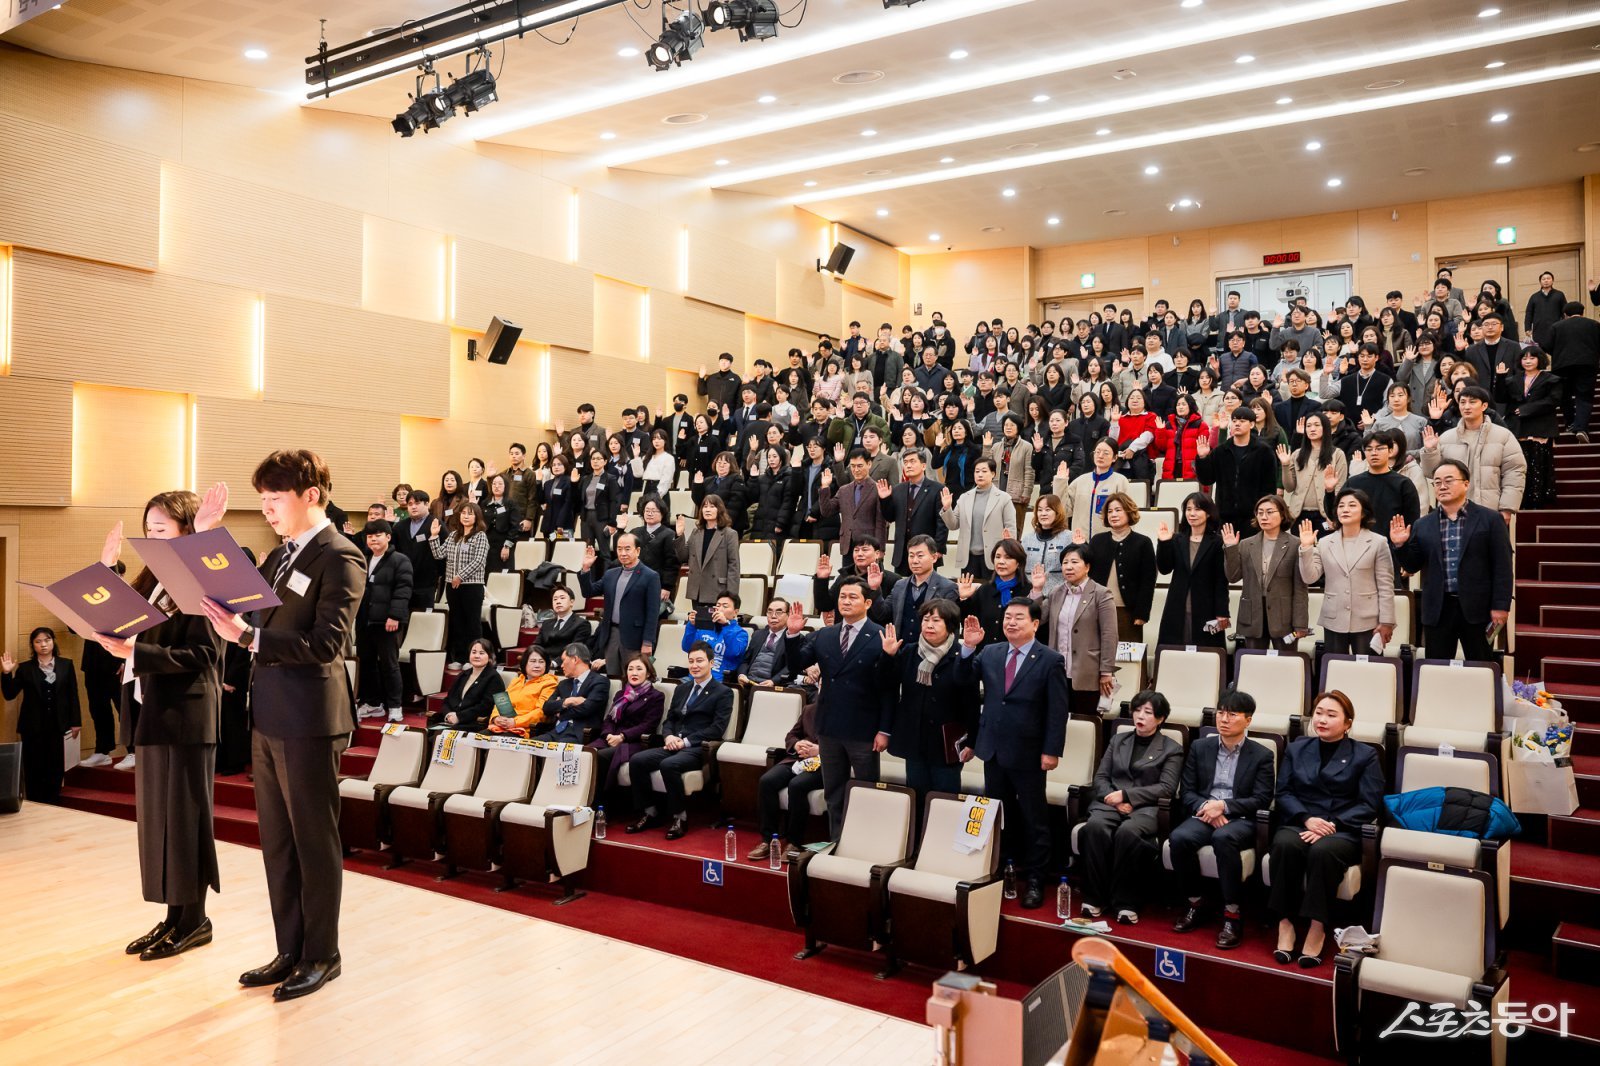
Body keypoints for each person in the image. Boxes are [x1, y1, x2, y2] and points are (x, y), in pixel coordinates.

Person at [198, 450, 365, 1002]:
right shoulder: (278, 557)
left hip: (310, 719)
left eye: (275, 499)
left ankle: (324, 953)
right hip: (268, 715)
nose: (266, 510)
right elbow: (232, 599)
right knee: (278, 843)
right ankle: (289, 948)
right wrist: (204, 538)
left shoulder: (341, 556)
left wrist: (248, 638)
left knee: (313, 841)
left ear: (310, 495)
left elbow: (325, 645)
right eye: (263, 500)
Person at [953, 599, 1069, 909]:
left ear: (1034, 624)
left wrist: (1051, 750)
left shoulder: (1050, 659)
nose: (1011, 622)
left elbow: (1057, 711)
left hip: (1029, 751)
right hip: (993, 748)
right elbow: (963, 681)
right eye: (1007, 617)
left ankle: (1034, 878)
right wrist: (967, 648)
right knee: (997, 815)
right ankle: (1000, 869)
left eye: (1019, 618)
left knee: (1034, 818)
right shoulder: (989, 653)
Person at [1270, 691, 1385, 968]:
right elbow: (1283, 792)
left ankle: (1317, 927)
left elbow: (1369, 803)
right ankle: (1285, 923)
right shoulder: (1297, 747)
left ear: (1347, 723)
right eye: (1319, 713)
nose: (1322, 719)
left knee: (1323, 851)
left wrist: (1331, 825)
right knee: (1285, 844)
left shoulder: (1365, 755)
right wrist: (1307, 819)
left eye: (1331, 715)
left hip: (1342, 828)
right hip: (1301, 820)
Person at [781, 577, 894, 839]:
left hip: (864, 729)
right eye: (842, 596)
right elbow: (797, 664)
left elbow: (888, 689)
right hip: (829, 727)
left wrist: (885, 730)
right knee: (834, 792)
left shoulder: (880, 635)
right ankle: (837, 841)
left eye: (852, 597)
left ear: (867, 602)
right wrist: (794, 634)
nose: (845, 601)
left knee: (866, 792)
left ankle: (866, 843)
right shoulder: (826, 634)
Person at [1169, 687, 1276, 949]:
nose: (1224, 719)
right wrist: (1210, 807)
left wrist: (1224, 807)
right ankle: (1195, 903)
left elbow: (1261, 799)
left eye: (1232, 714)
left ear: (1248, 720)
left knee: (1224, 838)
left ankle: (1232, 914)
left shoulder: (1262, 754)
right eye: (1221, 713)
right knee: (1179, 837)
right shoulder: (1200, 746)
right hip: (1205, 812)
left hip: (1240, 818)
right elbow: (1188, 791)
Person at [1389, 459, 1514, 662]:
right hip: (1438, 610)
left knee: (1481, 667)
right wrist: (1400, 546)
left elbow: (1503, 567)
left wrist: (1501, 605)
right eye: (1437, 482)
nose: (1442, 486)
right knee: (1437, 668)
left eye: (1448, 480)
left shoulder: (1490, 519)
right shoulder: (1423, 524)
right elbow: (1412, 565)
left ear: (1466, 483)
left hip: (1478, 609)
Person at [1077, 690, 1184, 924]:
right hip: (1110, 804)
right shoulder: (1118, 740)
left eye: (1148, 712)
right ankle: (1095, 898)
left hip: (1147, 809)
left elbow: (1166, 788)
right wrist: (1113, 798)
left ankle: (1126, 902)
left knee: (1128, 833)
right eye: (1137, 710)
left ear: (1160, 718)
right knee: (1094, 827)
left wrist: (1127, 796)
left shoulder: (1171, 749)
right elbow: (1101, 778)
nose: (1140, 716)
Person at [625, 643, 733, 840]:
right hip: (673, 742)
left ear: (711, 663)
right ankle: (650, 812)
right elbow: (670, 720)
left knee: (669, 764)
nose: (694, 666)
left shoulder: (723, 692)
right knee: (638, 760)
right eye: (691, 661)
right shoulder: (682, 689)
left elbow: (717, 729)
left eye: (699, 661)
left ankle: (679, 817)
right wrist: (668, 736)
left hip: (698, 748)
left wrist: (686, 742)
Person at [879, 598, 979, 806]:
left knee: (945, 799)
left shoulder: (962, 656)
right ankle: (917, 838)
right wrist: (888, 656)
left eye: (936, 620)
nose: (929, 625)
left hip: (947, 742)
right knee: (916, 796)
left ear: (950, 625)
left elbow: (971, 702)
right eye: (926, 620)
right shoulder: (908, 651)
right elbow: (885, 684)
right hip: (914, 738)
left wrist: (971, 742)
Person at [1297, 489, 1395, 655]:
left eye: (1352, 505)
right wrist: (1306, 548)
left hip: (1367, 619)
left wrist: (1387, 621)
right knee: (1335, 670)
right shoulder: (1325, 542)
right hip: (1334, 618)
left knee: (1367, 671)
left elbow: (1386, 585)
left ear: (1364, 512)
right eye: (1341, 506)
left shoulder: (1378, 542)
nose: (1345, 509)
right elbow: (1309, 577)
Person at [1030, 544, 1118, 717]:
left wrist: (1106, 671)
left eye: (1074, 562)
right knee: (1057, 721)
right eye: (1065, 562)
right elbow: (1036, 618)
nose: (1068, 567)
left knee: (1086, 722)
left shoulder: (1101, 594)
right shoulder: (1057, 592)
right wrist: (1037, 590)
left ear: (1087, 566)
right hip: (1058, 670)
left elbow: (1110, 635)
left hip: (1088, 672)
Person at [1419, 385, 1526, 523]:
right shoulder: (1446, 438)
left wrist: (1507, 507)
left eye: (1472, 402)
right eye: (1462, 402)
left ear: (1484, 406)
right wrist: (1430, 451)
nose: (1466, 406)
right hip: (1452, 512)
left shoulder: (1503, 436)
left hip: (1490, 511)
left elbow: (1515, 472)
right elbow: (1430, 473)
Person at [3, 627, 82, 804]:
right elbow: (9, 694)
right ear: (33, 645)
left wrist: (75, 722)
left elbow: (73, 695)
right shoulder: (25, 668)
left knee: (55, 766)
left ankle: (54, 801)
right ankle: (34, 801)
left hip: (57, 725)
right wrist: (7, 673)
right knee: (33, 766)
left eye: (47, 640)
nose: (43, 644)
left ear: (53, 641)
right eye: (38, 641)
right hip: (32, 726)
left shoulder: (66, 665)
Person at [1222, 496, 1307, 650]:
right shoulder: (1246, 544)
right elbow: (1232, 577)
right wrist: (1230, 548)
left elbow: (1300, 588)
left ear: (1282, 515)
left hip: (1284, 618)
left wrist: (1300, 623)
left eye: (1269, 512)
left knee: (1286, 664)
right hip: (1253, 615)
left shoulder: (1295, 544)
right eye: (1260, 513)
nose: (1264, 517)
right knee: (1253, 664)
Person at [749, 695, 823, 863]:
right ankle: (768, 840)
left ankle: (794, 842)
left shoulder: (844, 712)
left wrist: (819, 750)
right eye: (822, 684)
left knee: (796, 785)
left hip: (825, 764)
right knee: (767, 781)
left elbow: (845, 746)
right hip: (798, 760)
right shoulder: (809, 709)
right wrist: (796, 744)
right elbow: (791, 735)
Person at [352, 519, 413, 723]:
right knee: (367, 663)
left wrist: (395, 615)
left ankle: (395, 705)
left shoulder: (400, 560)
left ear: (388, 537)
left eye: (378, 535)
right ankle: (372, 703)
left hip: (388, 621)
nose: (373, 539)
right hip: (365, 621)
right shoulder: (364, 559)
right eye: (370, 536)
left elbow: (403, 590)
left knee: (390, 664)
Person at [579, 534, 661, 675]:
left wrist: (647, 642)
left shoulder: (650, 576)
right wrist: (586, 569)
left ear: (638, 551)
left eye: (627, 549)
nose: (623, 553)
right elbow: (588, 592)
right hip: (611, 634)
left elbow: (652, 613)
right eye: (619, 549)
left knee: (632, 677)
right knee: (612, 676)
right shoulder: (611, 574)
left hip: (635, 637)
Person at [1155, 494, 1230, 648]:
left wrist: (1223, 611)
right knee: (1174, 652)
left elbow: (1221, 580)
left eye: (1197, 509)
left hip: (1207, 608)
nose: (1192, 513)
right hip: (1177, 606)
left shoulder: (1217, 542)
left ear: (1208, 513)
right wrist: (1163, 543)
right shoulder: (1177, 539)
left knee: (1207, 654)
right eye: (1188, 509)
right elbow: (1164, 569)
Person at [586, 653, 665, 795]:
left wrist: (622, 736)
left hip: (635, 742)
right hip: (612, 738)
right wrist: (608, 734)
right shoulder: (621, 694)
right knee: (584, 753)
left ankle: (601, 802)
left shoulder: (656, 696)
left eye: (639, 669)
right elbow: (609, 720)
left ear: (648, 673)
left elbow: (648, 725)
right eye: (630, 669)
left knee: (600, 757)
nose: (634, 673)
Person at [1496, 345, 1561, 509]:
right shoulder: (1513, 379)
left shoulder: (1551, 378)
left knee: (1538, 464)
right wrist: (1501, 377)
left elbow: (1553, 400)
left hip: (1541, 426)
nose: (1528, 361)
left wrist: (1527, 409)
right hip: (1518, 427)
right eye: (1525, 358)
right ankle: (1521, 500)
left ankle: (1538, 501)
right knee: (1519, 464)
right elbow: (1501, 397)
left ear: (1540, 359)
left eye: (1532, 357)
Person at [1086, 492, 1157, 644]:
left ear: (1128, 511)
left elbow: (1148, 581)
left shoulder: (1143, 542)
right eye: (1110, 511)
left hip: (1128, 611)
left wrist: (1142, 613)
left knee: (1127, 661)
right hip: (1098, 609)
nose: (1113, 515)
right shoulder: (1097, 541)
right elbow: (1087, 575)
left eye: (1118, 510)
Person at [1194, 408, 1278, 535]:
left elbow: (1269, 488)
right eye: (1234, 421)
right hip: (1225, 517)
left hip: (1253, 517)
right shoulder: (1221, 451)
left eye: (1242, 421)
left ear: (1252, 424)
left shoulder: (1264, 452)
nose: (1237, 424)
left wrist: (1262, 513)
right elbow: (1207, 479)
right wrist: (1202, 458)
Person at [427, 501, 489, 665]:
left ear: (476, 517)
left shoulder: (480, 536)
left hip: (472, 587)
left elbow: (479, 561)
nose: (466, 516)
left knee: (472, 623)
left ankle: (474, 658)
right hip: (452, 586)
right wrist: (434, 536)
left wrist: (460, 576)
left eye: (470, 513)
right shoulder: (453, 535)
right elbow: (439, 555)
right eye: (463, 513)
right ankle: (460, 658)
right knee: (457, 622)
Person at [939, 456, 1012, 580]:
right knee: (970, 595)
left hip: (994, 556)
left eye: (984, 471)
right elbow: (953, 525)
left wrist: (1007, 554)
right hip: (969, 557)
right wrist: (947, 508)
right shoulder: (964, 497)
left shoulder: (1003, 498)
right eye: (977, 471)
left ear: (993, 474)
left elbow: (1011, 528)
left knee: (992, 593)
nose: (980, 475)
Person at [879, 447, 943, 573]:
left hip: (926, 550)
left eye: (912, 461)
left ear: (923, 466)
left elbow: (941, 522)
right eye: (906, 462)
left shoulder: (936, 489)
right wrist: (885, 499)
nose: (908, 465)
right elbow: (890, 517)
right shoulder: (898, 489)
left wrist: (938, 548)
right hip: (902, 552)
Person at [1051, 438, 1129, 540]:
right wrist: (1060, 482)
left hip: (1108, 541)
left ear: (1114, 458)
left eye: (1106, 453)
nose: (1100, 456)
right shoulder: (1080, 481)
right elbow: (1063, 511)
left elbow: (1127, 514)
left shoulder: (1120, 481)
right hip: (1080, 541)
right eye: (1097, 452)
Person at [957, 539, 1031, 646]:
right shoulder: (985, 589)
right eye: (997, 557)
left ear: (1019, 563)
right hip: (986, 653)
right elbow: (967, 619)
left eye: (1008, 557)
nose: (1001, 561)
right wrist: (963, 598)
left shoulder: (1027, 591)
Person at [675, 495, 741, 611]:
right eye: (705, 506)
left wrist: (731, 596)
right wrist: (679, 535)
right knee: (700, 626)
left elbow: (733, 566)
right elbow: (683, 556)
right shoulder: (696, 532)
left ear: (719, 510)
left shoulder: (729, 534)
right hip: (697, 589)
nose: (707, 509)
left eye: (712, 506)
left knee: (715, 626)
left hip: (718, 590)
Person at [427, 638, 503, 735]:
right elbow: (448, 700)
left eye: (481, 653)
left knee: (440, 735)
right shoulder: (464, 675)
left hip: (474, 722)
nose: (477, 656)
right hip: (453, 720)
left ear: (490, 657)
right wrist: (448, 714)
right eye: (474, 652)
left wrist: (459, 717)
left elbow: (486, 706)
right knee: (427, 732)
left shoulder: (493, 677)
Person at [1548, 300, 1599, 442]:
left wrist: (1558, 354)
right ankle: (1581, 427)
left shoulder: (1556, 326)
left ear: (1565, 314)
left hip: (1561, 365)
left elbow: (1546, 345)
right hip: (1587, 364)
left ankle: (1570, 422)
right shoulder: (1593, 324)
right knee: (1584, 396)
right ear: (1583, 313)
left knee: (1564, 395)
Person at [536, 643, 609, 742]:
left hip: (578, 734)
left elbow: (587, 708)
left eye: (563, 660)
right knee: (528, 746)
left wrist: (560, 712)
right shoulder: (563, 684)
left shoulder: (600, 681)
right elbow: (547, 707)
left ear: (575, 659)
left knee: (556, 751)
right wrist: (568, 701)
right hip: (555, 732)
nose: (561, 665)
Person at [819, 447, 888, 550]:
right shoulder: (844, 490)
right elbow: (826, 511)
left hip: (868, 546)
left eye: (860, 466)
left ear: (869, 464)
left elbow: (880, 523)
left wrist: (880, 548)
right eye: (853, 466)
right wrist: (825, 487)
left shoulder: (877, 489)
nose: (856, 470)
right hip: (847, 544)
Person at [488, 645, 559, 738]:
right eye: (533, 661)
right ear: (525, 663)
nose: (537, 665)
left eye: (541, 662)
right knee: (478, 739)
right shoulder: (517, 680)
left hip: (526, 728)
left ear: (546, 665)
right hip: (503, 726)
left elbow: (541, 713)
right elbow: (501, 703)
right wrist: (496, 718)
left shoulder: (549, 683)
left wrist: (515, 722)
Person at [680, 593, 750, 681]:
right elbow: (687, 647)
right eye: (718, 605)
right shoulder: (704, 627)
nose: (720, 609)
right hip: (694, 679)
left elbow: (734, 652)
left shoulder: (740, 633)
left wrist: (726, 625)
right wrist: (692, 625)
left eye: (725, 606)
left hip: (718, 682)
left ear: (735, 612)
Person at [392, 490, 440, 616]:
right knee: (403, 619)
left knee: (423, 620)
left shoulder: (435, 524)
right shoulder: (399, 527)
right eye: (410, 504)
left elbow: (443, 552)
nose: (413, 507)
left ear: (427, 504)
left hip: (426, 583)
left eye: (417, 503)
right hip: (404, 582)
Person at [1021, 493, 1072, 595]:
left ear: (1057, 512)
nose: (1043, 513)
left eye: (1048, 510)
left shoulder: (1069, 537)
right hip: (1030, 594)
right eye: (1040, 510)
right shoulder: (1027, 539)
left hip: (1059, 594)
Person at [539, 586, 593, 650]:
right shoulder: (546, 623)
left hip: (565, 659)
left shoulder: (582, 624)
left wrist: (554, 660)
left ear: (571, 602)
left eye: (562, 598)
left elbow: (574, 650)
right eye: (555, 599)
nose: (558, 602)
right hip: (544, 659)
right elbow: (537, 645)